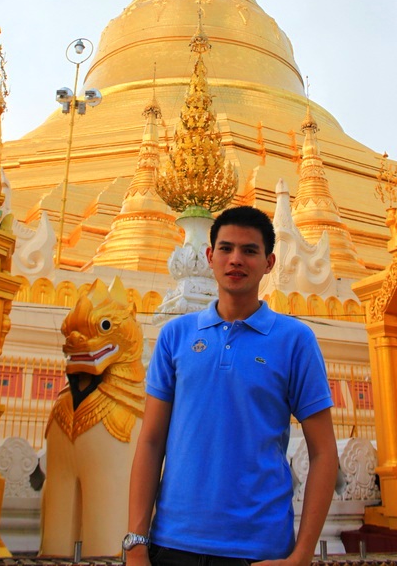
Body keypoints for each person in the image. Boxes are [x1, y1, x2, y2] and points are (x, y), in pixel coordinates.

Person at [125, 206, 338, 566]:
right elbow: (150, 442)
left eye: (249, 250)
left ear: (269, 263)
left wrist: (302, 555)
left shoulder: (294, 340)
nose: (236, 259)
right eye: (226, 248)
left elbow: (323, 452)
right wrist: (136, 544)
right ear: (209, 256)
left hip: (260, 549)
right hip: (173, 543)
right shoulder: (175, 336)